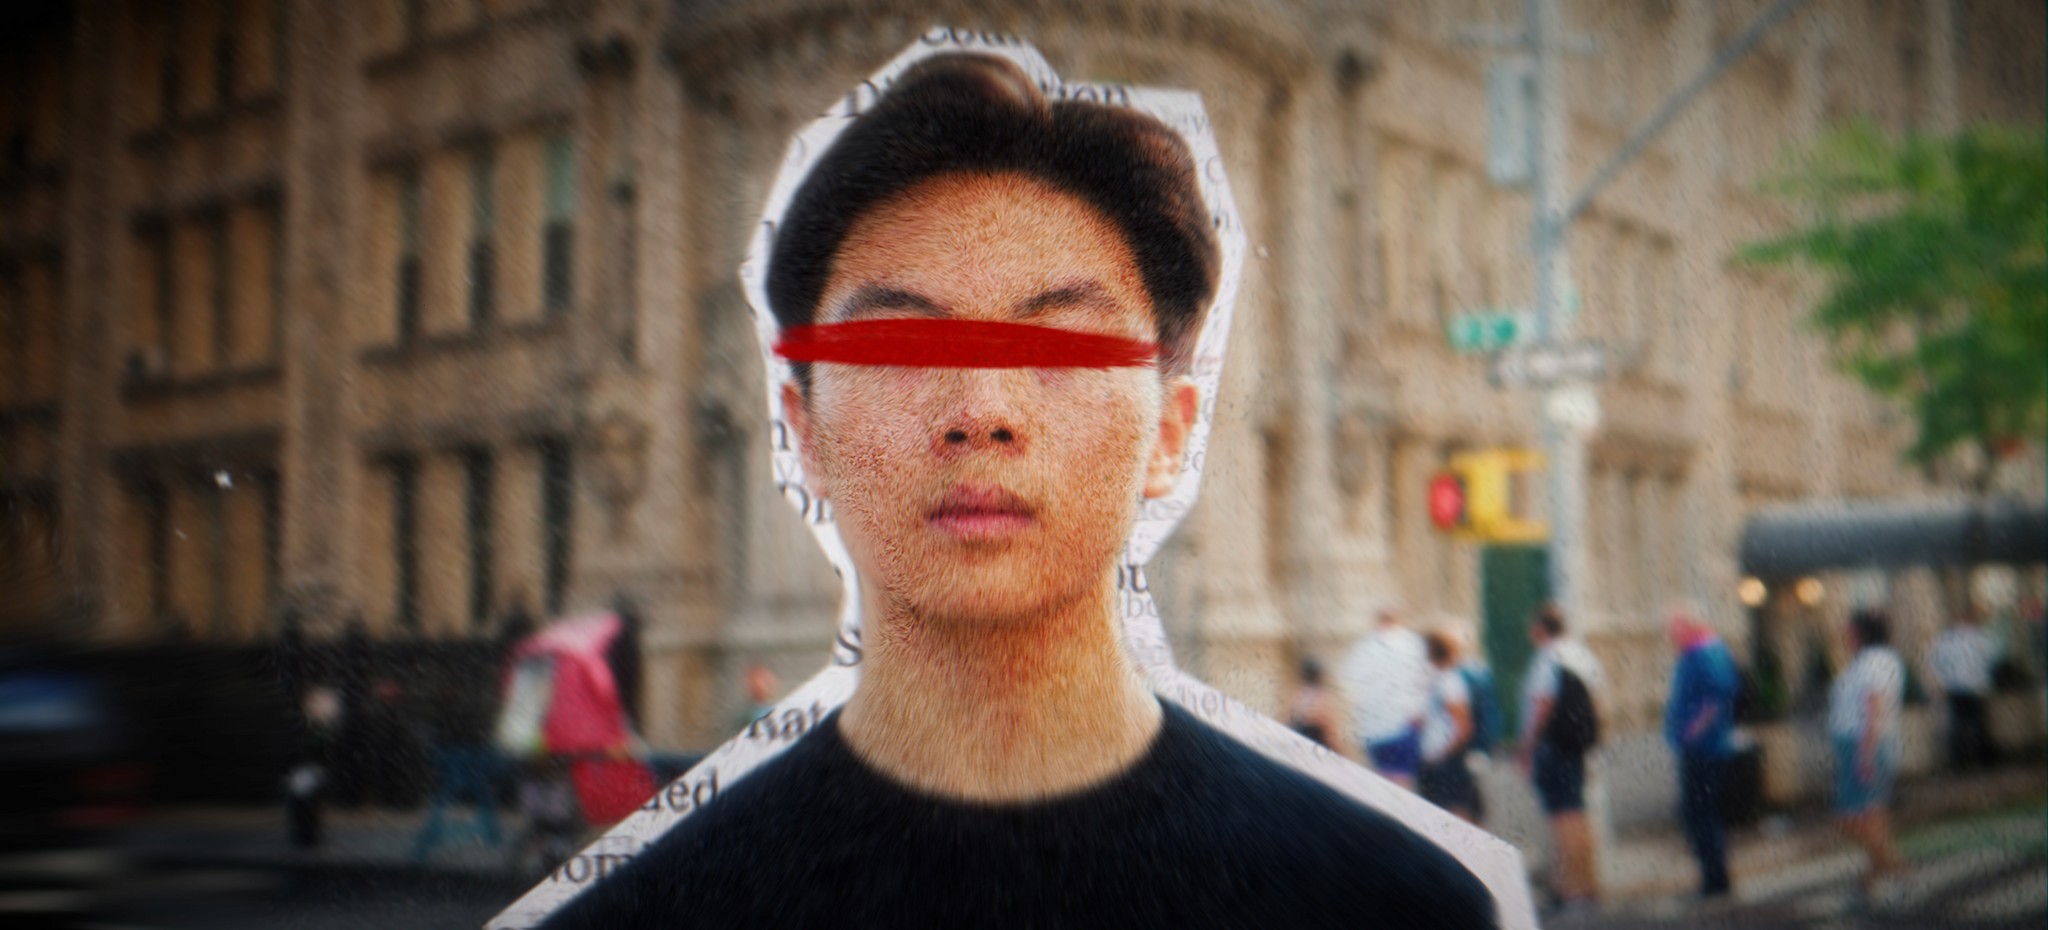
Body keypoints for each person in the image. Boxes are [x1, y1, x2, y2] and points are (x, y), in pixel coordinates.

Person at [536, 53, 1496, 929]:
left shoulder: (1397, 908)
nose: (982, 409)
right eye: (901, 343)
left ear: (1169, 434)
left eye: (1061, 344)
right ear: (804, 433)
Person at [1517, 604, 1601, 913]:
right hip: (1575, 745)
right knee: (1576, 814)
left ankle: (1572, 891)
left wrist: (1525, 747)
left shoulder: (1547, 657)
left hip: (1553, 745)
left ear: (1540, 629)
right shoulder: (1581, 654)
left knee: (1563, 818)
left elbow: (1541, 706)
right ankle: (1584, 885)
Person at [1662, 602, 1741, 900]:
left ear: (1692, 626)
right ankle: (1712, 877)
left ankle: (1715, 881)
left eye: (1676, 629)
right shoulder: (1696, 653)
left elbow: (1718, 695)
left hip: (1704, 750)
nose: (1672, 636)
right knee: (1698, 814)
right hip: (1698, 747)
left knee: (1701, 814)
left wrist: (1694, 730)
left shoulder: (1707, 653)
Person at [1830, 608, 1908, 903]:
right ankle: (1869, 882)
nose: (1843, 635)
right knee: (1874, 818)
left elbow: (1874, 707)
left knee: (1850, 819)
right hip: (1858, 745)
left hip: (1863, 745)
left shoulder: (1876, 661)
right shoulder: (1866, 661)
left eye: (1848, 629)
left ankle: (1898, 869)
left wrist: (1865, 754)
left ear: (1861, 632)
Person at [1340, 608, 1432, 789]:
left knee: (1383, 781)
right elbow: (1425, 681)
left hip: (1373, 728)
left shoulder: (1364, 647)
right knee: (1404, 780)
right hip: (1404, 724)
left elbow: (1349, 682)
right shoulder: (1413, 644)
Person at [1419, 631, 1480, 824]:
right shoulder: (1438, 681)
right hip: (1436, 759)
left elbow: (1463, 727)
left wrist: (1443, 755)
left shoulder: (1450, 682)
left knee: (1458, 813)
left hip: (1447, 760)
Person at [1930, 611, 1999, 771]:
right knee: (1979, 723)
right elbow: (1991, 659)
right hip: (1977, 686)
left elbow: (1935, 661)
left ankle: (1959, 762)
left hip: (1955, 687)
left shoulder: (1946, 639)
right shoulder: (1980, 637)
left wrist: (1945, 678)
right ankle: (1983, 759)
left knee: (1958, 725)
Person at [1285, 656, 1342, 750]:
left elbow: (1291, 718)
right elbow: (1328, 726)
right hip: (1307, 738)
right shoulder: (1306, 695)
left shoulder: (1302, 695)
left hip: (1308, 738)